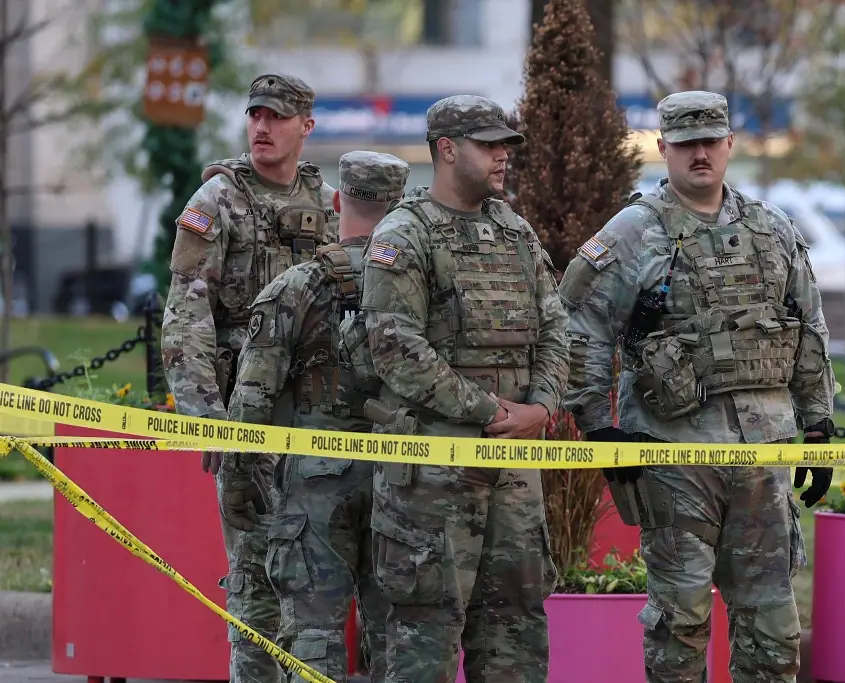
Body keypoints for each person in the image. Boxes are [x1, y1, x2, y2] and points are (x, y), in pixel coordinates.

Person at [557, 91, 836, 683]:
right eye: (685, 144)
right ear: (663, 148)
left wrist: (818, 423)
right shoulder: (633, 232)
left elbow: (807, 326)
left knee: (772, 625)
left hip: (763, 459)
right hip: (674, 460)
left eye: (710, 141)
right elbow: (581, 331)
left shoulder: (771, 229)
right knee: (679, 623)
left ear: (730, 144)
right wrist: (598, 427)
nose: (699, 154)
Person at [358, 94, 569, 683]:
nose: (503, 156)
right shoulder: (405, 233)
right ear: (447, 149)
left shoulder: (515, 232)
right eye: (489, 145)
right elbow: (394, 347)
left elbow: (557, 327)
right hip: (434, 475)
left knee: (515, 633)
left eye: (506, 145)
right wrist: (489, 410)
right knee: (424, 639)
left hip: (514, 468)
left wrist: (541, 406)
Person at [161, 73, 339, 683]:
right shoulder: (217, 201)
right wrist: (206, 416)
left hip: (320, 417)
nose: (262, 127)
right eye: (255, 115)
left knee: (317, 575)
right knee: (257, 578)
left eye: (277, 117)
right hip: (247, 418)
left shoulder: (329, 204)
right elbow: (186, 317)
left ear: (305, 126)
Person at [219, 150, 410, 682]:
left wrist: (238, 486)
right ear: (400, 207)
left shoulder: (295, 287)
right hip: (405, 481)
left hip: (315, 485)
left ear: (336, 202)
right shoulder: (419, 287)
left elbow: (251, 403)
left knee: (312, 634)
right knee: (397, 638)